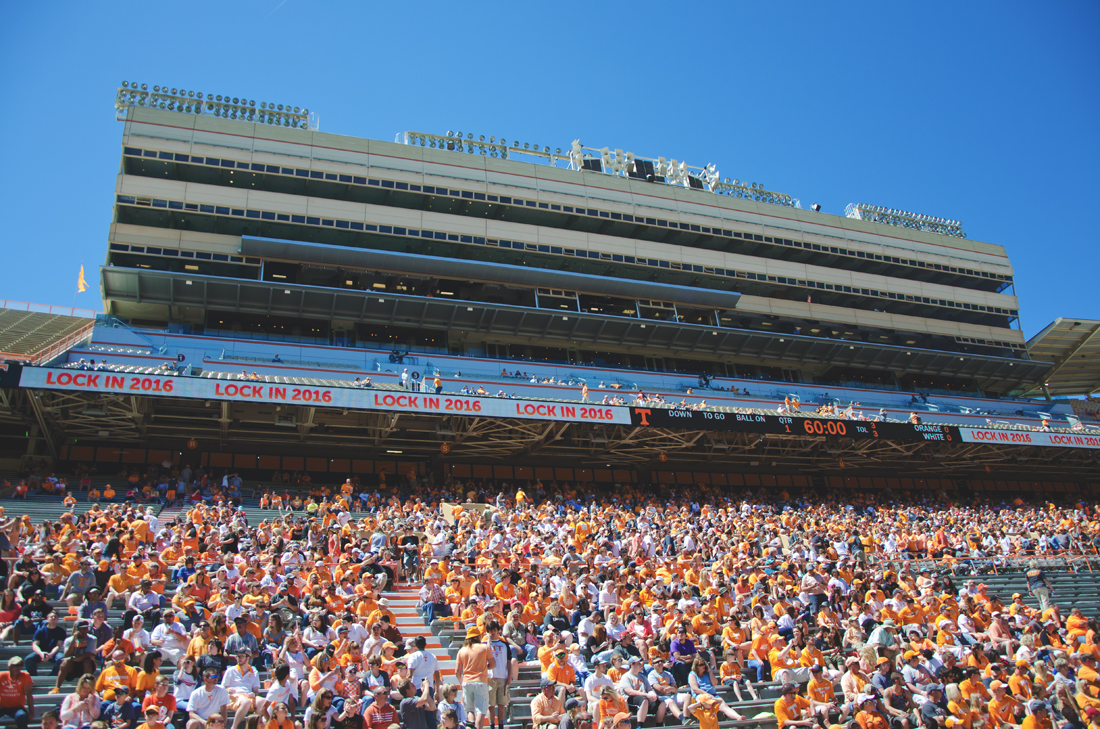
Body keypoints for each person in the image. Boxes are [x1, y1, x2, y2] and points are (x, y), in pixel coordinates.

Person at [454, 628, 495, 729]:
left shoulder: (461, 650)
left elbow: (457, 671)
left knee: (469, 710)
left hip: (467, 682)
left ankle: (471, 726)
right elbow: (493, 664)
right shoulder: (484, 647)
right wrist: (485, 668)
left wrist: (461, 681)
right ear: (477, 637)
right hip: (481, 681)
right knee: (481, 710)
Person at [0, 656, 35, 729]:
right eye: (16, 665)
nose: (19, 668)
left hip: (17, 708)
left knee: (22, 716)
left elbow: (29, 694)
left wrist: (31, 712)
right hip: (2, 707)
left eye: (20, 665)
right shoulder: (1, 676)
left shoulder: (25, 675)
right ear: (9, 667)